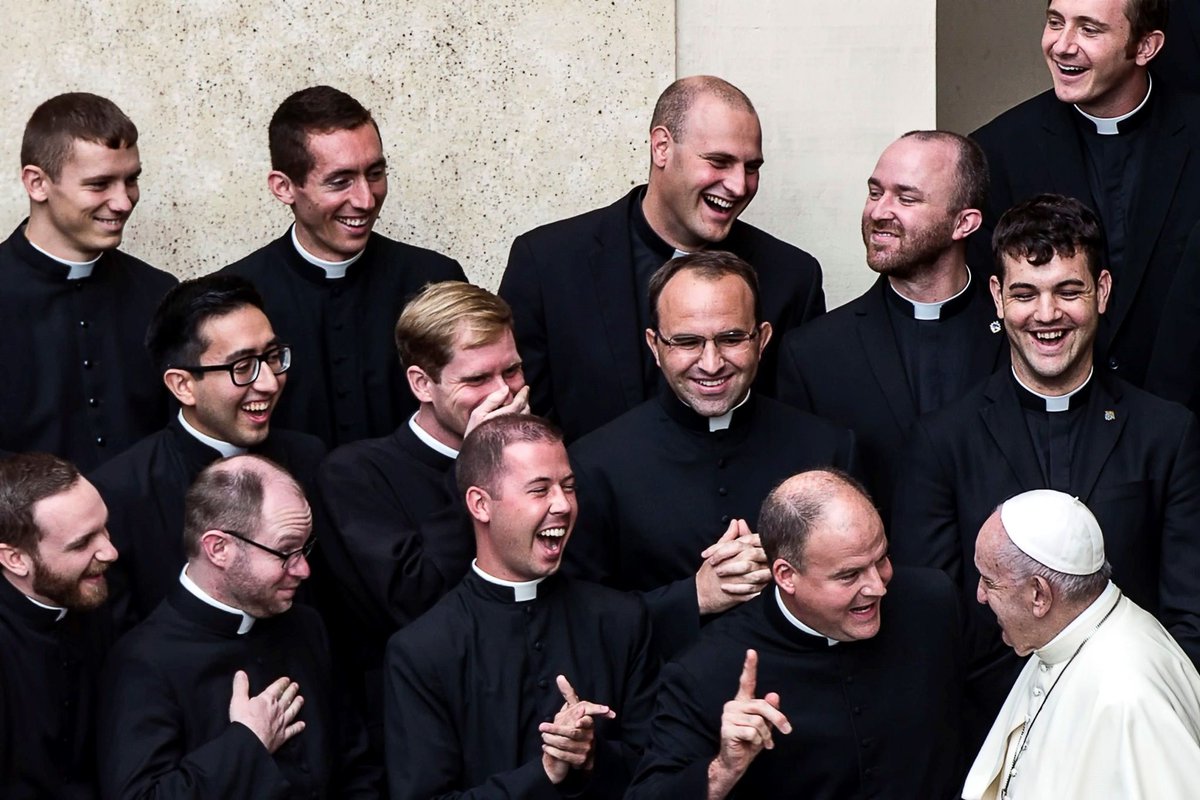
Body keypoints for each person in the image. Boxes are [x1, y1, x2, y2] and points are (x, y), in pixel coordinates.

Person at [891, 193, 1200, 750]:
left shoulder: (1166, 434)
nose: (1047, 314)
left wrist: (1137, 713)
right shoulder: (941, 442)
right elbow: (935, 620)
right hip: (992, 734)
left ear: (1102, 291)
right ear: (997, 297)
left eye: (1069, 291)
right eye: (1025, 293)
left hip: (1131, 729)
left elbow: (1188, 613)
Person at [500, 75, 825, 443]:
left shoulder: (792, 277)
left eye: (752, 168)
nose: (739, 185)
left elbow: (796, 432)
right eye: (719, 161)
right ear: (661, 148)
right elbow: (523, 426)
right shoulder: (547, 263)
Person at [566, 251, 854, 657]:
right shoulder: (594, 464)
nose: (711, 363)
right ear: (654, 345)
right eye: (687, 342)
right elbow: (578, 620)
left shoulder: (828, 448)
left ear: (762, 339)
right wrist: (695, 596)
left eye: (731, 338)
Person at [627, 469, 963, 799]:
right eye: (849, 575)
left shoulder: (932, 603)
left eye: (881, 559)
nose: (877, 587)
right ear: (786, 576)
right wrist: (723, 769)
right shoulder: (706, 670)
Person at [384, 415, 656, 799]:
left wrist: (591, 756)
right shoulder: (422, 651)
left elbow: (659, 772)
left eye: (569, 487)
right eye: (540, 490)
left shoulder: (621, 620)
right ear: (480, 504)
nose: (563, 504)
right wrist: (545, 771)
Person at [317, 280, 528, 751]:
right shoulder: (356, 473)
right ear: (421, 384)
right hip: (427, 723)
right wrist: (477, 463)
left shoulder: (542, 456)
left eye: (512, 370)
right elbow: (414, 600)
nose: (503, 392)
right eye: (477, 379)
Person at [97, 455, 380, 798]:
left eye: (305, 548)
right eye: (285, 552)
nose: (304, 569)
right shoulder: (143, 661)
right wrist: (247, 743)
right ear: (219, 549)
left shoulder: (307, 625)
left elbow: (357, 763)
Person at [970, 0, 1200, 388]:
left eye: (1089, 29)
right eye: (1055, 22)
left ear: (1146, 46)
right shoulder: (999, 151)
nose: (1062, 45)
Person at [221, 85, 466, 448]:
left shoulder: (435, 279)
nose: (366, 200)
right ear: (284, 187)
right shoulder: (231, 297)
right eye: (340, 182)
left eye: (375, 173)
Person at [777, 131, 1006, 518]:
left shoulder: (1022, 334)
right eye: (874, 192)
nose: (879, 211)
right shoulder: (812, 354)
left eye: (906, 198)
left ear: (964, 223)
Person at [90, 275, 325, 628]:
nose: (269, 382)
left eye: (273, 357)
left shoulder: (308, 458)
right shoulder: (121, 493)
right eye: (242, 367)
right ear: (183, 385)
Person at [964, 490, 1200, 800]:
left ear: (1039, 595)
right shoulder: (1063, 634)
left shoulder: (1129, 697)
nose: (980, 595)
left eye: (989, 581)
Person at [0, 93, 177, 469]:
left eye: (131, 180)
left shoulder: (159, 293)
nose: (124, 202)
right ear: (37, 183)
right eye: (99, 184)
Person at [0, 453, 117, 799]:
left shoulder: (86, 592)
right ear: (15, 559)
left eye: (105, 528)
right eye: (82, 543)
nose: (110, 552)